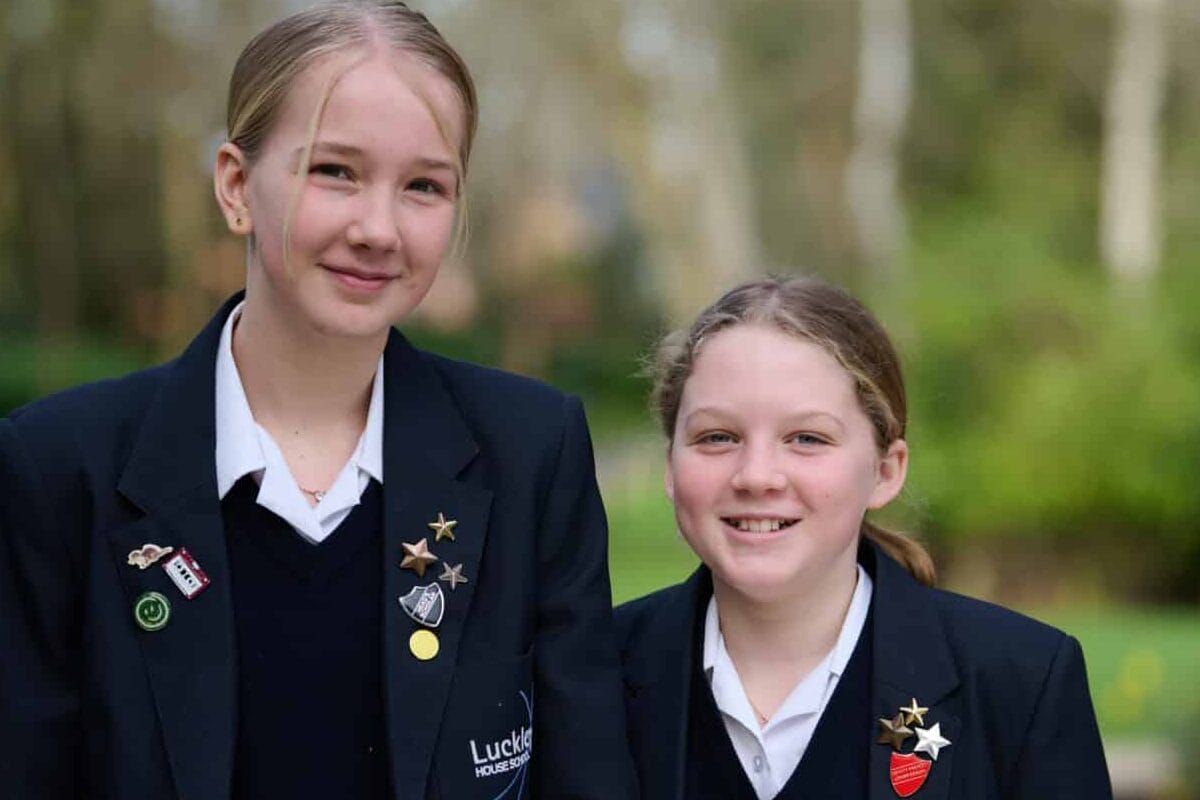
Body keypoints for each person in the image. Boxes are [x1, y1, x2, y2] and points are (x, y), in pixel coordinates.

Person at [0, 3, 637, 798]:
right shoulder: (60, 467)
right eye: (334, 171)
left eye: (424, 186)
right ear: (236, 186)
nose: (378, 228)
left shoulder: (533, 452)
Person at [615, 277, 1111, 799]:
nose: (757, 475)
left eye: (807, 438)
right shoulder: (590, 672)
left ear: (885, 470)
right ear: (670, 464)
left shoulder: (1021, 683)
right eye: (717, 437)